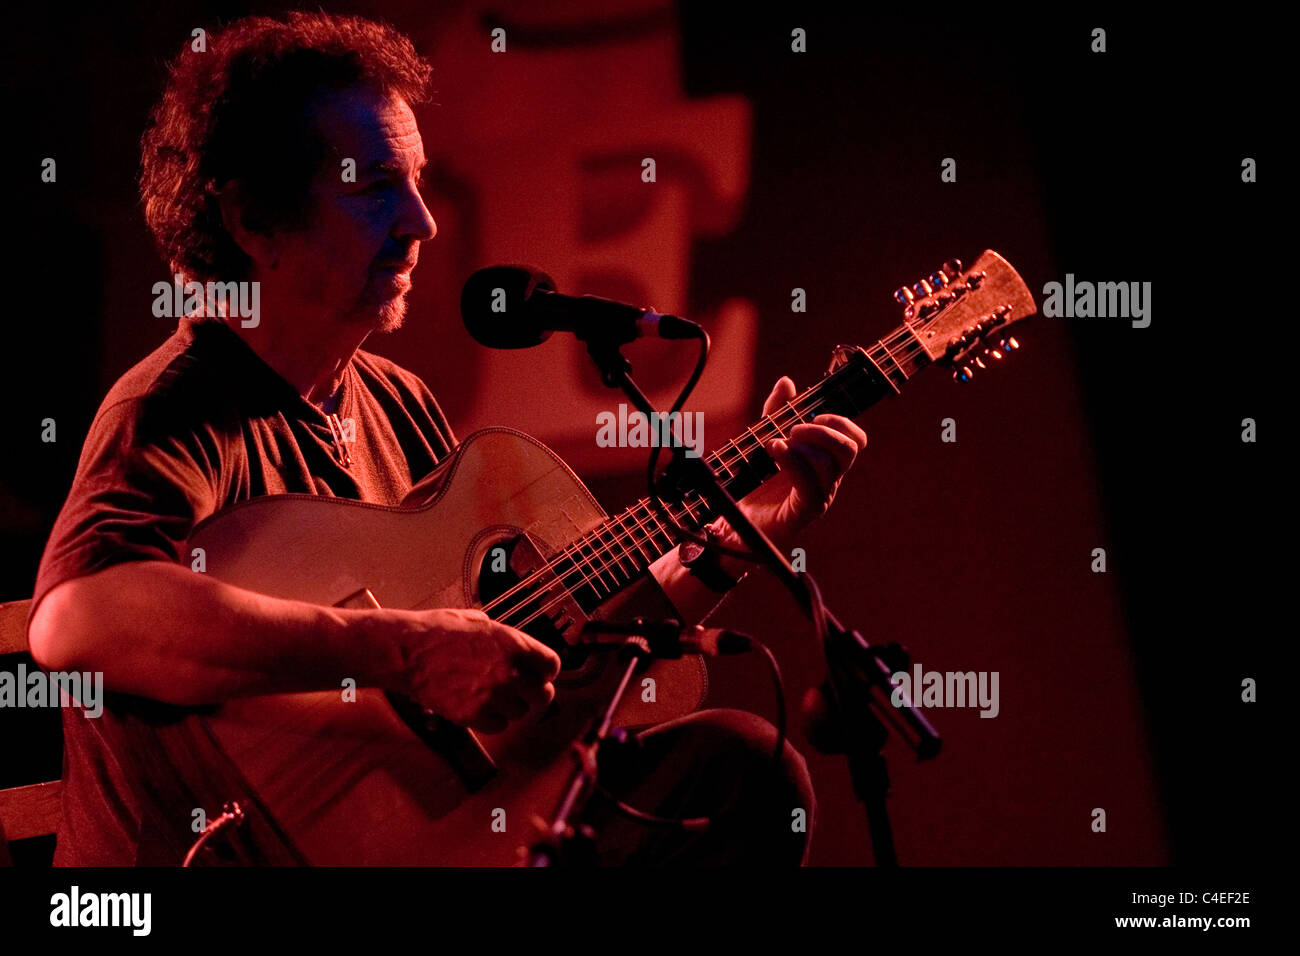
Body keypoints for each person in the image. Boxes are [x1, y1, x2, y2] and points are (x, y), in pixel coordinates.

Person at [26, 12, 867, 866]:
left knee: (739, 767)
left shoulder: (397, 402)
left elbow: (554, 640)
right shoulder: (176, 406)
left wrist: (734, 540)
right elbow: (76, 621)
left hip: (430, 837)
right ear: (253, 219)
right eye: (375, 187)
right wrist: (407, 653)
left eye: (420, 182)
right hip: (220, 859)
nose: (423, 222)